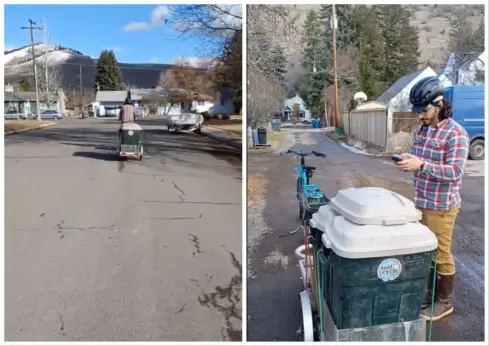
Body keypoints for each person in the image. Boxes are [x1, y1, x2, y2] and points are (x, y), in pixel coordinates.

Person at [395, 76, 469, 322]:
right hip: (421, 202)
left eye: (424, 110)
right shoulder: (422, 129)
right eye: (418, 112)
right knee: (425, 252)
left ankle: (445, 301)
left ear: (439, 104)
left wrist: (423, 165)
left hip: (441, 207)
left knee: (441, 253)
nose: (421, 116)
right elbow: (419, 159)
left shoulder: (456, 134)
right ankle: (429, 295)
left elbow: (455, 172)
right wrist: (409, 160)